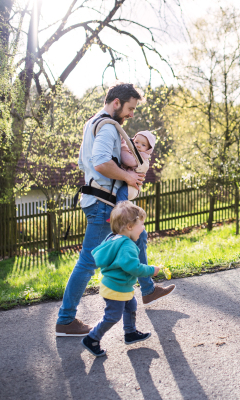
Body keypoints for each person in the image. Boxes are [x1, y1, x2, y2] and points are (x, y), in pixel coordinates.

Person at [55, 83, 175, 337]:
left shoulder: (92, 124)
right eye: (130, 108)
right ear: (117, 102)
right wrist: (128, 177)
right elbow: (100, 163)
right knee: (88, 262)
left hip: (100, 199)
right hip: (103, 204)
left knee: (139, 235)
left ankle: (147, 288)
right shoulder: (108, 126)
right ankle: (65, 320)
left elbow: (83, 162)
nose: (132, 114)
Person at [81, 202, 159, 357]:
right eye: (141, 224)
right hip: (117, 289)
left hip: (116, 286)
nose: (143, 228)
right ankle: (92, 339)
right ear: (129, 227)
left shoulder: (114, 239)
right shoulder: (127, 246)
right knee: (112, 316)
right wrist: (151, 270)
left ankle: (130, 333)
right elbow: (134, 267)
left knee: (131, 305)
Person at [116, 130, 156, 202]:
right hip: (128, 184)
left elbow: (127, 160)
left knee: (120, 194)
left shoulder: (142, 157)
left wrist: (123, 146)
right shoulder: (134, 154)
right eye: (136, 142)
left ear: (148, 149)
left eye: (143, 145)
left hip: (131, 188)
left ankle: (121, 211)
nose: (138, 145)